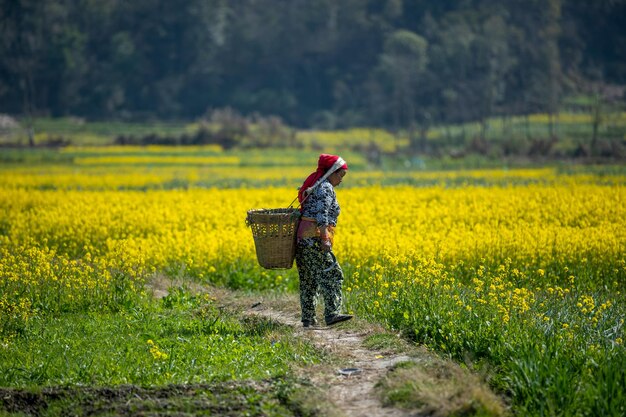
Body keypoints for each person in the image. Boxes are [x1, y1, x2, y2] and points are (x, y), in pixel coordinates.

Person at [295, 154, 353, 328]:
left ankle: (308, 318)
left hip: (303, 239)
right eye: (340, 175)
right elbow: (322, 215)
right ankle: (332, 313)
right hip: (314, 238)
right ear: (331, 173)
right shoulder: (325, 187)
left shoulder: (314, 186)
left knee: (308, 278)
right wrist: (325, 238)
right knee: (333, 274)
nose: (341, 180)